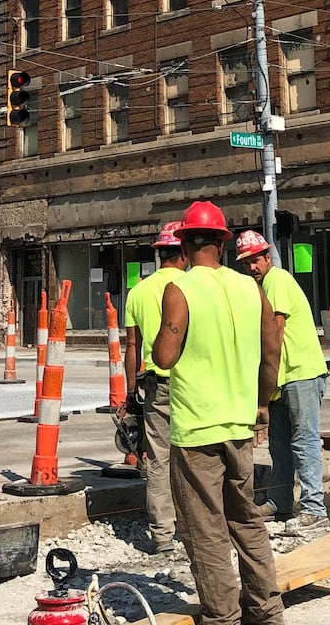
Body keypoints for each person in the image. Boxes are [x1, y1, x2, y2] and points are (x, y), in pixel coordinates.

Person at [153, 201, 284, 625]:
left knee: (205, 529)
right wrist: (262, 403)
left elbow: (166, 356)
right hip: (239, 424)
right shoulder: (251, 287)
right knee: (245, 519)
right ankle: (266, 611)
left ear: (186, 244)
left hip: (196, 429)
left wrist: (164, 331)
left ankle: (222, 617)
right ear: (223, 244)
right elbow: (271, 350)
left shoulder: (181, 288)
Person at [233, 230, 329, 529]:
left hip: (300, 373)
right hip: (279, 379)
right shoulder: (258, 289)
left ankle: (315, 507)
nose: (252, 267)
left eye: (255, 260)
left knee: (303, 441)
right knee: (279, 444)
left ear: (266, 256)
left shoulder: (278, 280)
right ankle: (280, 501)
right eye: (246, 263)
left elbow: (274, 334)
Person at [121, 221, 188, 555]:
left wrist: (131, 388)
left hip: (155, 383)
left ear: (160, 253)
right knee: (195, 456)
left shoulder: (139, 291)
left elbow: (133, 346)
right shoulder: (190, 285)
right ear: (183, 253)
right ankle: (193, 528)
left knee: (159, 458)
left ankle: (162, 535)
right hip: (190, 382)